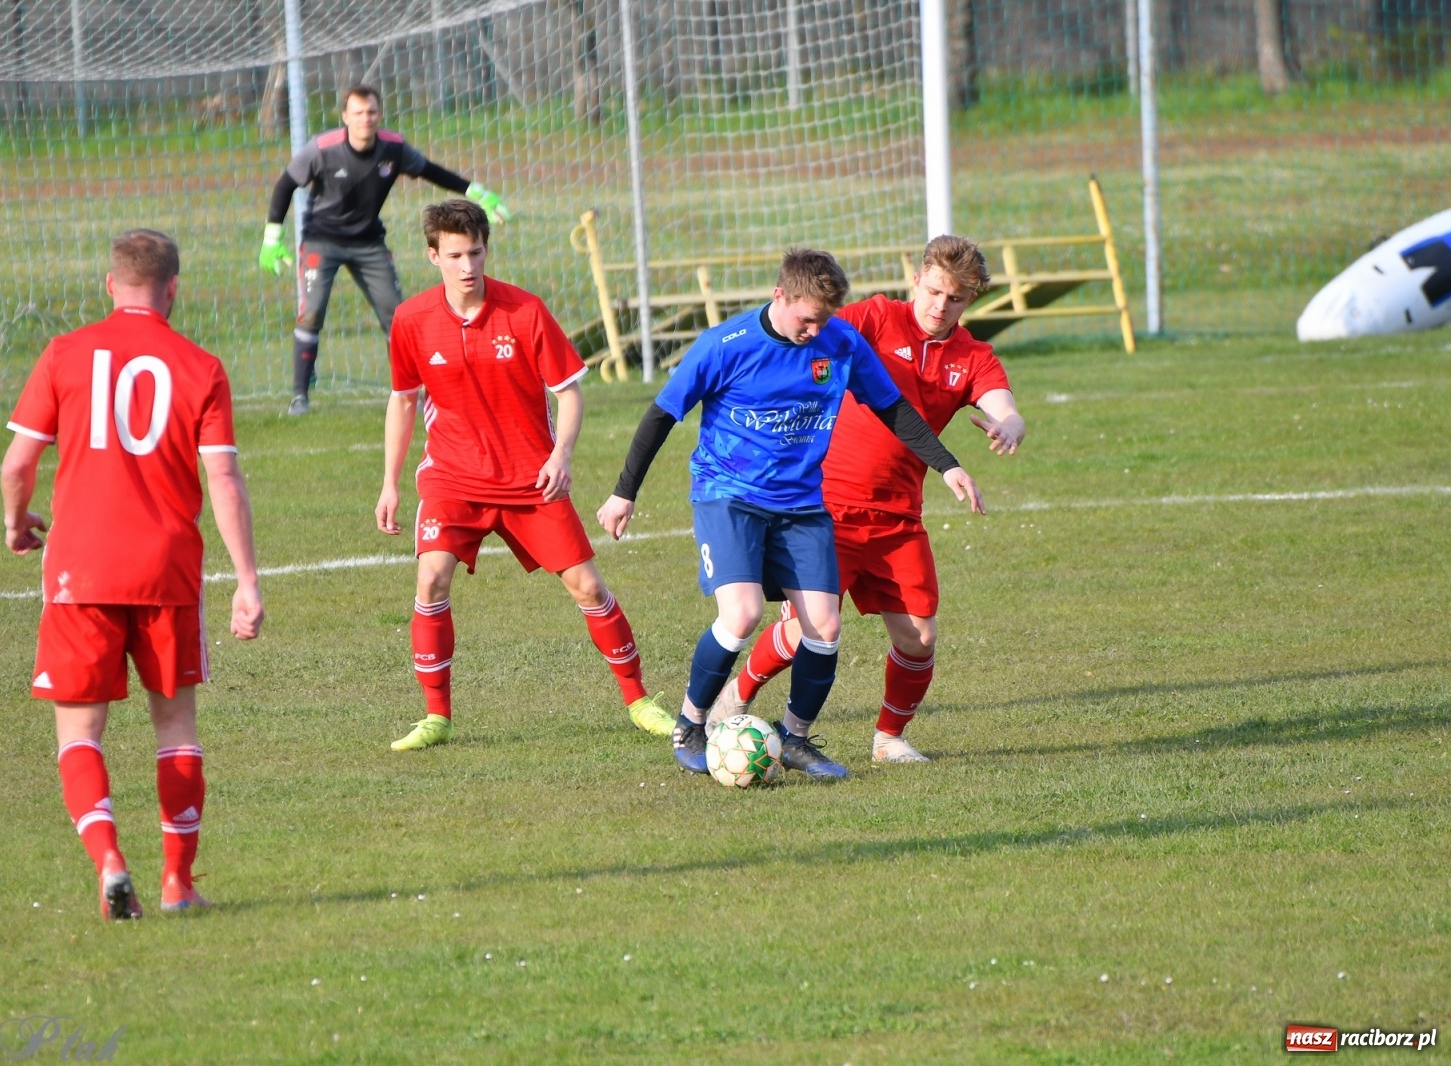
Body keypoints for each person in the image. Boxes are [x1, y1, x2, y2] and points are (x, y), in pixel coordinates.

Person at [597, 249, 985, 781]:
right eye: (806, 318)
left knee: (823, 628)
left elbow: (891, 407)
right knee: (743, 614)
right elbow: (662, 415)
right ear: (779, 295)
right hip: (729, 495)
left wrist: (947, 466)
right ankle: (689, 725)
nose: (814, 330)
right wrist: (624, 493)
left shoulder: (839, 342)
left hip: (802, 504)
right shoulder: (724, 346)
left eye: (824, 319)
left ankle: (796, 739)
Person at [0, 229, 264, 921]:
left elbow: (17, 464)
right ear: (174, 288)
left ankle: (110, 861)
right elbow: (226, 479)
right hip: (166, 571)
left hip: (79, 570)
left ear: (109, 285)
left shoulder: (65, 353)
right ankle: (178, 884)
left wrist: (15, 520)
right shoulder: (201, 367)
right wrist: (247, 580)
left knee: (79, 734)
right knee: (175, 727)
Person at [375, 200, 673, 750]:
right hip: (451, 479)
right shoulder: (412, 320)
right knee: (430, 578)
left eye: (476, 252)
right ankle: (436, 716)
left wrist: (560, 454)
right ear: (433, 256)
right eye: (456, 255)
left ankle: (638, 701)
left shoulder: (525, 312)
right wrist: (390, 482)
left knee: (588, 586)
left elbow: (569, 392)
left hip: (530, 480)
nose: (468, 266)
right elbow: (402, 401)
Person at [715, 236, 1024, 763]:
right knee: (806, 628)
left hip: (898, 516)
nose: (939, 306)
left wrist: (1010, 423)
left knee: (918, 637)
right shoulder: (876, 319)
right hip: (824, 506)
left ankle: (888, 739)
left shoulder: (972, 356)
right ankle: (737, 693)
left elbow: (1002, 401)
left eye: (954, 298)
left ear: (969, 300)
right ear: (916, 281)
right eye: (932, 292)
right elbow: (809, 333)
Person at [260, 84, 512, 416]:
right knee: (312, 312)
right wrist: (271, 239)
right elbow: (285, 184)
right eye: (359, 113)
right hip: (322, 241)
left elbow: (431, 171)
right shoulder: (322, 149)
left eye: (371, 112)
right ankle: (299, 396)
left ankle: (413, 392)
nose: (365, 119)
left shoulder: (393, 148)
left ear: (379, 115)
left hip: (369, 243)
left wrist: (476, 191)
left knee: (398, 317)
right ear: (345, 116)